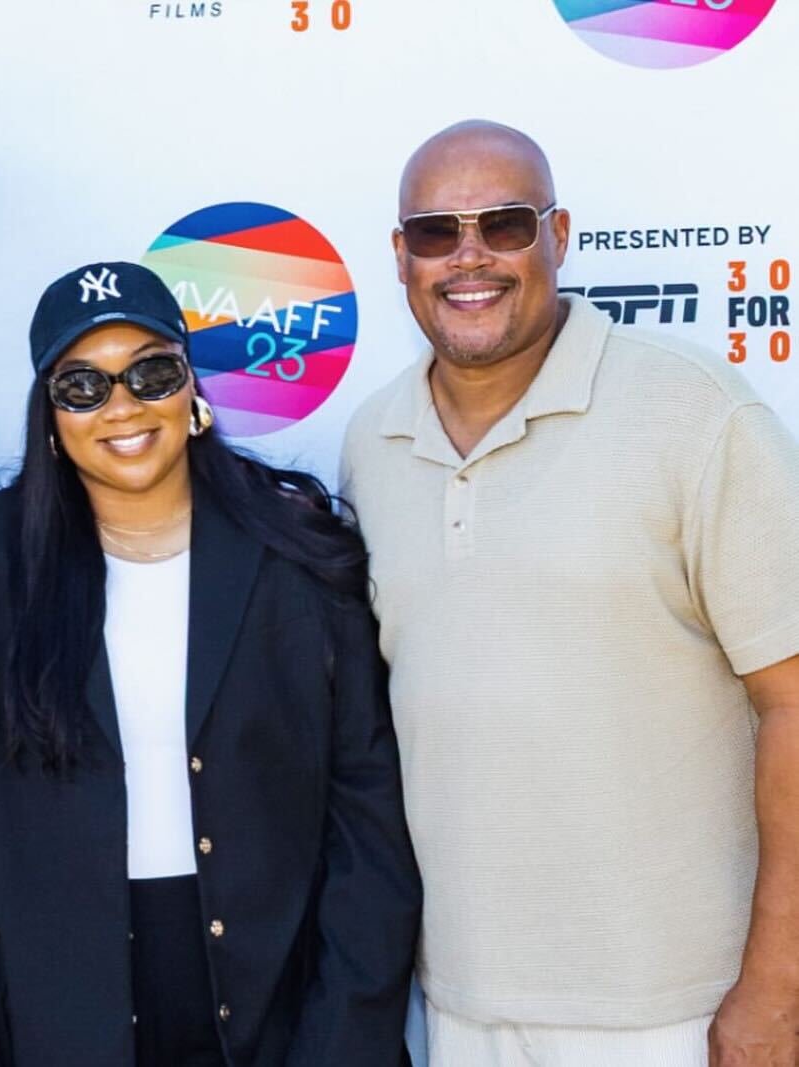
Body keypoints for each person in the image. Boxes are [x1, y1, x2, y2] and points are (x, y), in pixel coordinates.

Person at [0, 260, 421, 1066]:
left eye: (150, 372)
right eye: (83, 387)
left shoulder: (298, 557)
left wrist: (341, 1039)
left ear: (192, 390)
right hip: (54, 1014)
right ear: (49, 415)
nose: (122, 406)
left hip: (275, 1007)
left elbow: (367, 822)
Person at [341, 119, 799, 1067]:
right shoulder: (370, 441)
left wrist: (776, 986)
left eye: (505, 224)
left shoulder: (697, 414)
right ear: (399, 256)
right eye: (436, 232)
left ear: (560, 234)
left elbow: (793, 702)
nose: (470, 256)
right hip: (458, 1005)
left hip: (679, 1008)